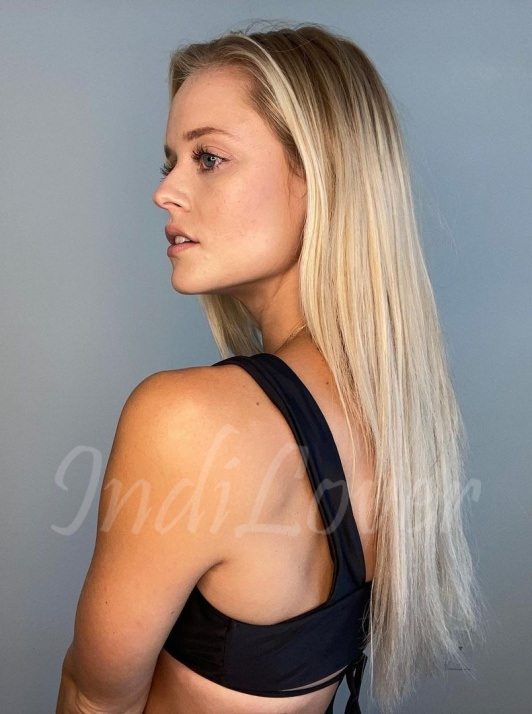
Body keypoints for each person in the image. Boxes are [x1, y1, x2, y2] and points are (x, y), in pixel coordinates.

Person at [56, 21, 486, 714]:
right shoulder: (396, 414)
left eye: (208, 158)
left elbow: (93, 699)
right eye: (170, 161)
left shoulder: (189, 422)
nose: (165, 191)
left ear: (318, 177)